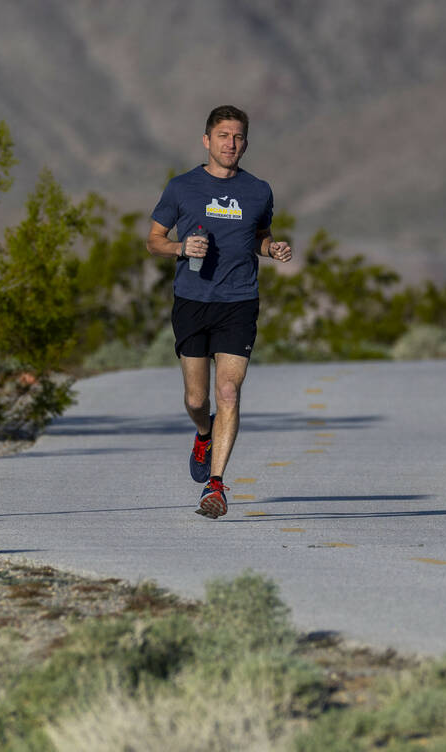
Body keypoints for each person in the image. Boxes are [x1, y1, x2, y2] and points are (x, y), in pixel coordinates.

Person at [146, 105, 292, 519]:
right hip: (192, 300)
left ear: (246, 142)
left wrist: (272, 248)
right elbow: (154, 240)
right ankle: (203, 431)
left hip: (239, 301)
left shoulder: (259, 190)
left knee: (228, 391)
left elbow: (259, 237)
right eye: (224, 136)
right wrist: (179, 247)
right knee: (197, 399)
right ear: (207, 140)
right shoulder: (182, 187)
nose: (232, 144)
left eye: (239, 137)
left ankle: (216, 485)